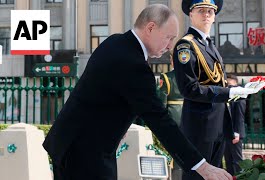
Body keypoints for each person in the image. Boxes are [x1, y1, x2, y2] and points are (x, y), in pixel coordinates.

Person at [43, 4, 233, 180]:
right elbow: (160, 121)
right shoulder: (133, 64)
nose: (170, 47)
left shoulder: (115, 42)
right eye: (169, 38)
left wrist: (120, 125)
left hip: (71, 144)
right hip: (86, 153)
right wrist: (202, 167)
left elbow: (103, 93)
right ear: (150, 28)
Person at [173, 0, 258, 179]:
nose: (206, 15)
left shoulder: (210, 46)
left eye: (210, 12)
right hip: (199, 126)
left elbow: (218, 83)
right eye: (201, 11)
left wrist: (239, 90)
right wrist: (231, 92)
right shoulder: (186, 46)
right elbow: (190, 89)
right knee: (197, 176)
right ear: (191, 14)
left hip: (218, 124)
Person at [223, 74, 246, 175]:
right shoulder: (228, 95)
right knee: (228, 161)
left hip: (235, 133)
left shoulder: (239, 95)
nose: (228, 87)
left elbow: (239, 116)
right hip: (227, 133)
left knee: (238, 161)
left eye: (230, 85)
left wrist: (237, 132)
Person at [159, 51, 184, 126]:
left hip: (173, 114)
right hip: (189, 114)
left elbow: (163, 99)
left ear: (172, 60)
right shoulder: (190, 77)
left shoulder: (166, 77)